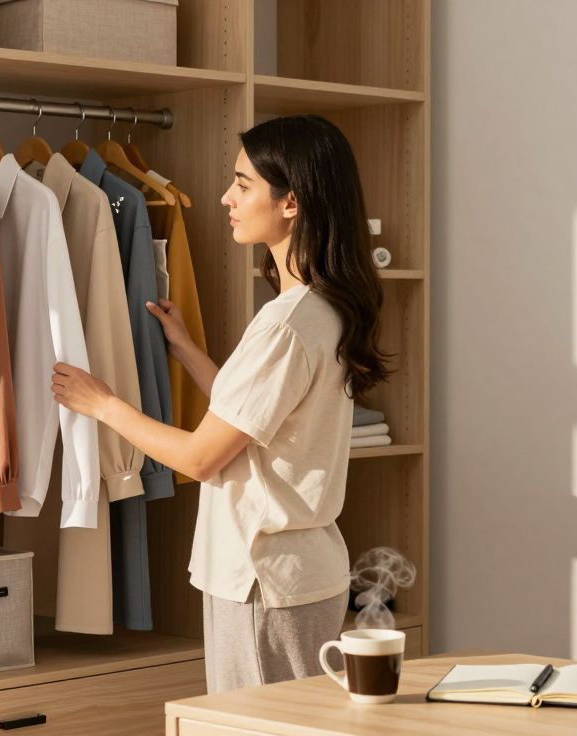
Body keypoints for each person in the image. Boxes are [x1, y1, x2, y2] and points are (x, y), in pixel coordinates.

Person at [51, 114, 388, 694]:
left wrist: (103, 404)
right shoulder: (322, 307)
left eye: (243, 184)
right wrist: (188, 353)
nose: (226, 197)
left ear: (292, 203)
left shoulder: (285, 325)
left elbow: (202, 458)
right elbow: (264, 419)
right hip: (297, 573)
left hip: (263, 581)